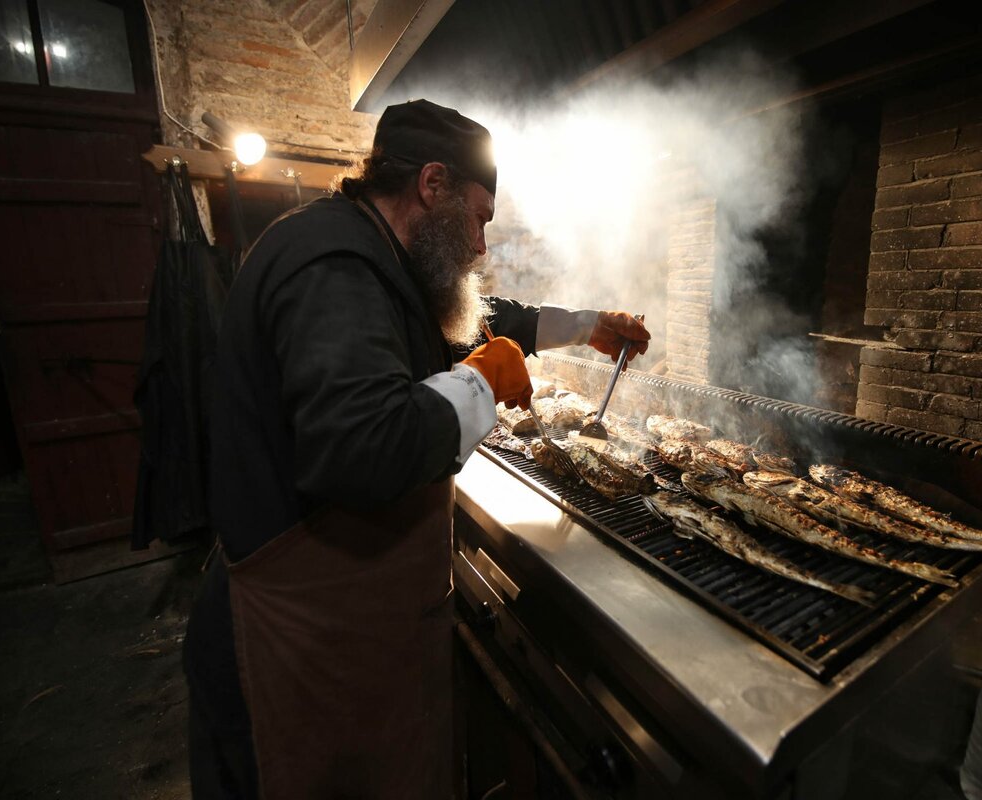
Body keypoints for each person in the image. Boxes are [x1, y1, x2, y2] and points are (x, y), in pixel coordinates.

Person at [182, 99, 651, 799]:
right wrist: (483, 382)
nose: (483, 246)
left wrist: (588, 326)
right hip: (295, 645)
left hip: (347, 626)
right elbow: (366, 448)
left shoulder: (376, 255)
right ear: (432, 186)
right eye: (480, 218)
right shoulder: (333, 268)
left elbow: (488, 321)